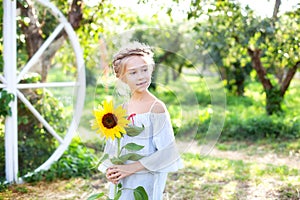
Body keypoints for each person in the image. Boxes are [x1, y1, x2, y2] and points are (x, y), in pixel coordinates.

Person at [98, 41, 183, 200]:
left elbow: (167, 152)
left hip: (145, 180)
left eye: (145, 70)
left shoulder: (156, 108)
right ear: (122, 77)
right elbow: (113, 147)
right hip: (122, 181)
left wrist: (131, 168)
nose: (141, 76)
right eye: (133, 72)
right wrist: (111, 171)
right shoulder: (121, 109)